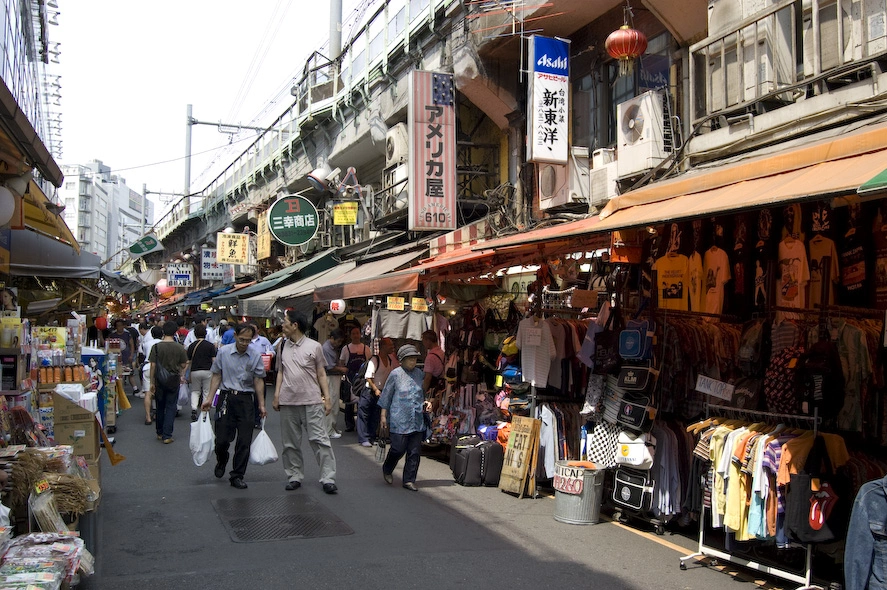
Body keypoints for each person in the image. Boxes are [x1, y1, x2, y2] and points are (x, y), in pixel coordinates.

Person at [273, 310, 337, 494]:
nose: (282, 325)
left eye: (285, 322)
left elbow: (321, 373)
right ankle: (294, 476)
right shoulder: (282, 346)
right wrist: (277, 395)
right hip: (288, 401)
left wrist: (328, 399)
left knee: (320, 440)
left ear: (295, 325)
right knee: (290, 443)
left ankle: (328, 478)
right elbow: (280, 372)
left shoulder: (315, 346)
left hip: (312, 401)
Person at [201, 323, 267, 489]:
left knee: (244, 441)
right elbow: (216, 375)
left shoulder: (255, 355)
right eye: (242, 339)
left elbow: (258, 380)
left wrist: (262, 405)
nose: (245, 343)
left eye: (248, 340)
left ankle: (237, 475)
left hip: (246, 400)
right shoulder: (223, 352)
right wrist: (209, 398)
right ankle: (221, 460)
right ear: (235, 336)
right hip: (226, 399)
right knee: (222, 440)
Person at [379, 344, 431, 491]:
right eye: (410, 359)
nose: (413, 362)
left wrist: (426, 402)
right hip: (399, 419)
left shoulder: (419, 374)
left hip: (416, 418)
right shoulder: (395, 374)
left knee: (414, 452)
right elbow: (386, 397)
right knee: (398, 448)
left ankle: (409, 480)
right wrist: (383, 416)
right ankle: (388, 468)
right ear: (402, 360)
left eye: (415, 359)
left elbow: (422, 394)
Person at [148, 321, 188, 444]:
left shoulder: (156, 347)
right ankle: (167, 435)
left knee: (160, 406)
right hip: (173, 380)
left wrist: (151, 382)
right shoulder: (179, 347)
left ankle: (159, 432)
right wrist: (181, 373)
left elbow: (153, 366)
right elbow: (184, 364)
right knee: (171, 407)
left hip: (159, 381)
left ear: (163, 332)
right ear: (175, 331)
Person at [360, 337, 398, 446]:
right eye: (390, 346)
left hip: (381, 392)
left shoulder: (390, 360)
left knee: (375, 415)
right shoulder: (375, 360)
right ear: (383, 347)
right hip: (370, 391)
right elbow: (368, 377)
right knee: (365, 414)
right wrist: (375, 389)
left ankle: (371, 437)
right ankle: (364, 438)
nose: (392, 348)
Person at [338, 326, 369, 435]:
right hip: (349, 378)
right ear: (350, 336)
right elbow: (341, 363)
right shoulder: (346, 349)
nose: (356, 335)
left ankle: (361, 425)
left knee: (362, 403)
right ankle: (349, 425)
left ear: (360, 335)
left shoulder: (366, 348)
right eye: (353, 333)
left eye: (357, 333)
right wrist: (343, 371)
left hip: (362, 379)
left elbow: (369, 363)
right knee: (349, 403)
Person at [186, 324, 215, 422]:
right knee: (207, 391)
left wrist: (185, 373)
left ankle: (194, 409)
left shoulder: (191, 346)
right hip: (208, 370)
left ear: (195, 334)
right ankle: (204, 412)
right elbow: (214, 360)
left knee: (195, 391)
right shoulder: (210, 346)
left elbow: (188, 361)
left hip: (195, 371)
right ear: (205, 333)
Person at [321, 329, 346, 438]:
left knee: (335, 402)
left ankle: (332, 426)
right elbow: (330, 367)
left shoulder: (331, 348)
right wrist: (341, 369)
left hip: (334, 377)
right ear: (332, 338)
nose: (339, 344)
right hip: (330, 377)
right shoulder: (326, 348)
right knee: (331, 401)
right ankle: (329, 430)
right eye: (338, 341)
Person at [140, 325, 162, 424]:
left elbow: (145, 355)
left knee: (147, 393)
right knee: (159, 392)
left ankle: (148, 416)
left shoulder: (147, 344)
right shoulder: (163, 344)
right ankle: (158, 413)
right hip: (160, 369)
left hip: (147, 367)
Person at [421, 329, 446, 397]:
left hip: (433, 389)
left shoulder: (430, 357)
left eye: (424, 340)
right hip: (441, 385)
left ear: (428, 340)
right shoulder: (441, 352)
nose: (423, 343)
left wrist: (423, 393)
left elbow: (427, 378)